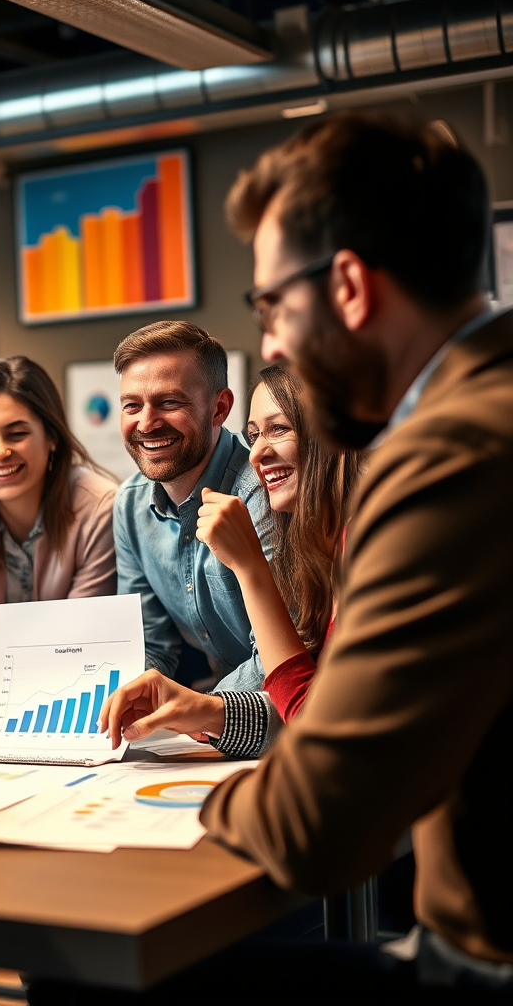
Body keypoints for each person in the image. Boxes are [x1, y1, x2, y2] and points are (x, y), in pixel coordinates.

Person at [108, 114, 513, 998]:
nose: (278, 346)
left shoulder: (449, 458)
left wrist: (170, 811)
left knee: (99, 973)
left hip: (482, 966)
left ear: (350, 288)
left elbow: (321, 822)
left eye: (272, 309)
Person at [101, 364, 362, 755]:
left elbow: (318, 724)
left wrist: (249, 565)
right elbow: (307, 701)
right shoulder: (314, 542)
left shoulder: (364, 543)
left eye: (279, 429)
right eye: (254, 434)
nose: (257, 452)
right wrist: (200, 711)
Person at [0, 356, 117, 696]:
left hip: (78, 698)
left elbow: (85, 637)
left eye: (16, 434)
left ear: (52, 437)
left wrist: (6, 652)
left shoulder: (101, 507)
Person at [112, 320, 274, 698]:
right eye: (132, 405)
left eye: (169, 402)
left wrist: (203, 710)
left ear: (219, 408)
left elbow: (283, 655)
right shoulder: (130, 504)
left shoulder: (263, 495)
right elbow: (150, 644)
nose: (147, 423)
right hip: (214, 710)